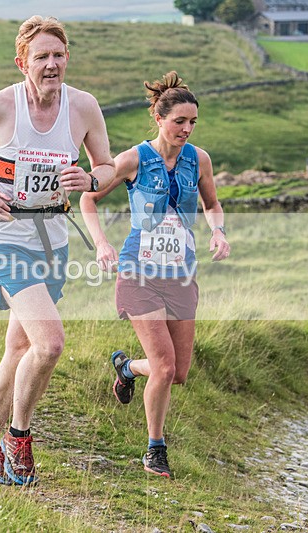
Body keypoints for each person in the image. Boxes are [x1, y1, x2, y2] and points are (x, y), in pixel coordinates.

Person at [0, 16, 114, 486]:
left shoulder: (84, 107)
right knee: (49, 344)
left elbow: (107, 167)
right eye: (41, 57)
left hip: (53, 236)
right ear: (22, 62)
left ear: (67, 58)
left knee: (19, 347)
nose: (51, 64)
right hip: (4, 234)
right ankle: (19, 435)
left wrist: (91, 180)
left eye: (58, 55)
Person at [80, 71, 231, 479]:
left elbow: (212, 203)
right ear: (159, 117)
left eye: (193, 122)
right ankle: (155, 449)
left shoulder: (199, 159)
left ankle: (127, 368)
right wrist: (101, 243)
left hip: (181, 273)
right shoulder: (134, 159)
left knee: (178, 373)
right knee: (163, 367)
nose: (187, 128)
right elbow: (88, 198)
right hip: (138, 271)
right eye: (180, 121)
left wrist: (218, 230)